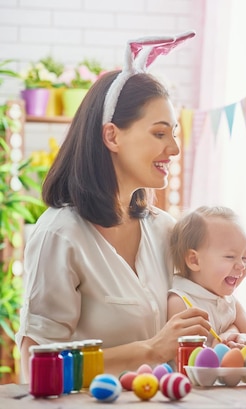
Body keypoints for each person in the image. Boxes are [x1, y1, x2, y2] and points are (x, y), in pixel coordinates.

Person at [16, 31, 215, 379]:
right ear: (112, 136)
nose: (173, 149)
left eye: (173, 134)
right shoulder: (60, 235)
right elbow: (36, 366)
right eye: (159, 133)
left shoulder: (164, 230)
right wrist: (151, 349)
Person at [167, 206, 246, 349]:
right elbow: (184, 356)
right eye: (230, 257)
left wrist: (242, 338)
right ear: (194, 260)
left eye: (244, 258)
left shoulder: (231, 302)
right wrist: (220, 347)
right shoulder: (181, 302)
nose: (241, 266)